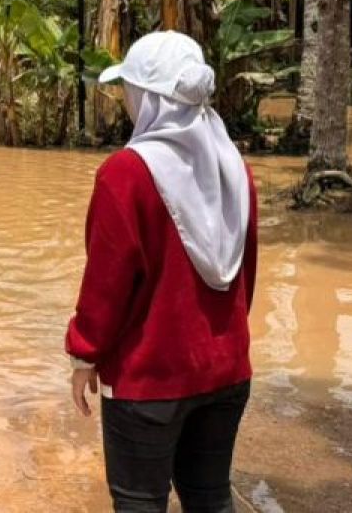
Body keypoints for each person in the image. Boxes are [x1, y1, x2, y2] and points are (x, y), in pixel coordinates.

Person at [65, 31, 258, 513]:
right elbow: (245, 275)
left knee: (139, 502)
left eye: (131, 90)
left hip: (149, 380)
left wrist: (84, 354)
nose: (128, 102)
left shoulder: (126, 173)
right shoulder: (235, 167)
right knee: (210, 496)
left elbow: (106, 285)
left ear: (150, 98)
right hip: (227, 370)